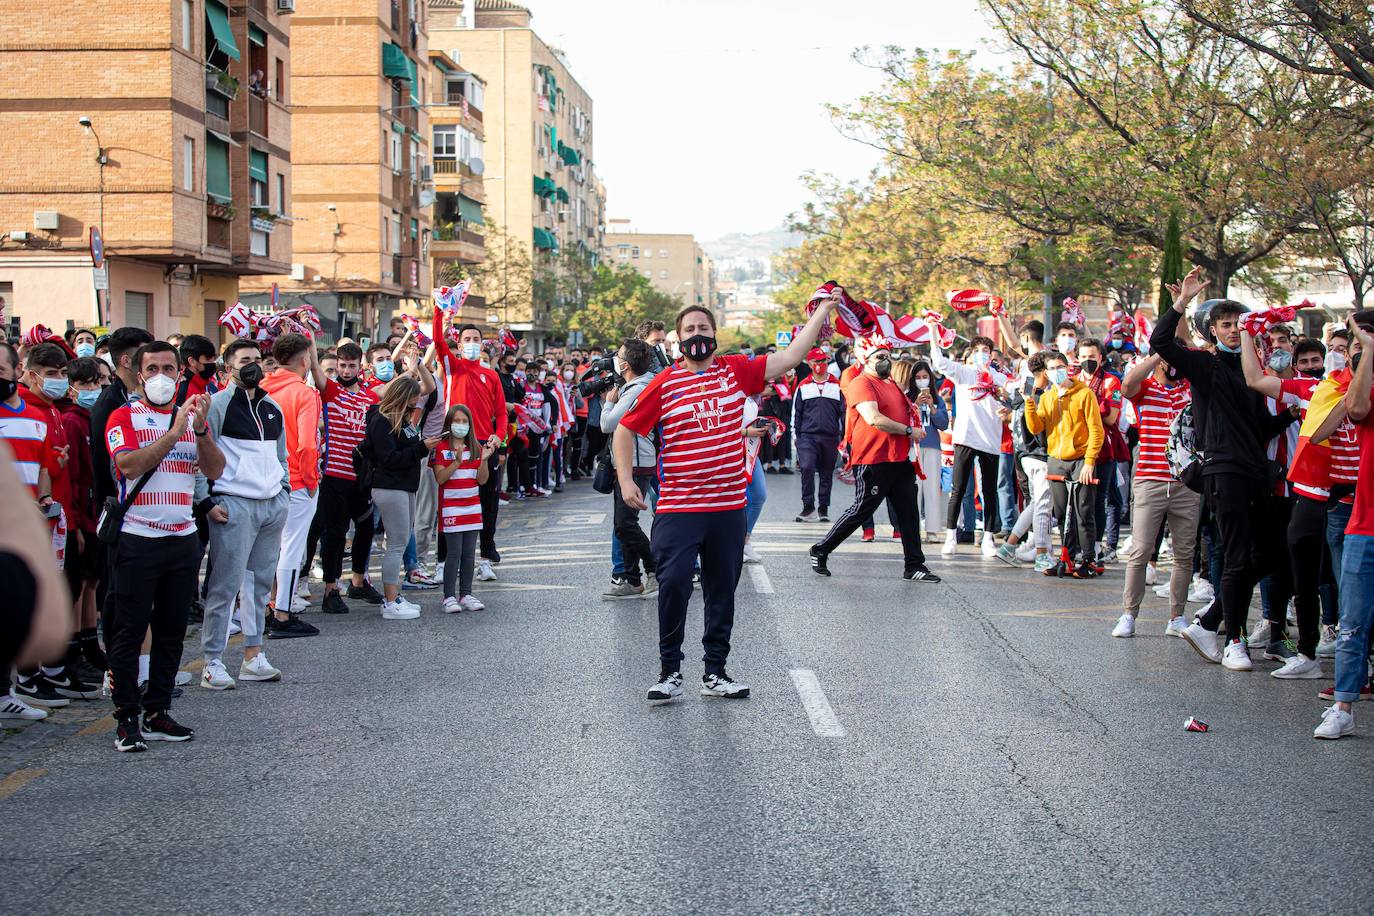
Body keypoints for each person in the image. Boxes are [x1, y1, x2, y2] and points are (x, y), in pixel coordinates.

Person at [616, 297, 837, 703]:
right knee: (674, 585)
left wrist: (821, 312)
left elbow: (790, 357)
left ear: (715, 335)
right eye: (689, 330)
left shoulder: (735, 371)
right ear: (678, 339)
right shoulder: (664, 383)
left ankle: (715, 672)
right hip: (679, 509)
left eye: (703, 328)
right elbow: (625, 429)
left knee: (721, 590)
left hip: (728, 507)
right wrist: (627, 480)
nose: (697, 335)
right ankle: (669, 671)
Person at [1152, 267, 1298, 671]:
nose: (1235, 330)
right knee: (1235, 555)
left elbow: (1260, 428)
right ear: (1213, 330)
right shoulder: (1205, 365)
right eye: (1227, 324)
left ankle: (1208, 622)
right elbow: (1160, 342)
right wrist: (1181, 303)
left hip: (1256, 472)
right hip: (1223, 471)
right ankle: (1234, 639)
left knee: (1271, 553)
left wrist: (1292, 411)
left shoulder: (1253, 372)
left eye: (1239, 324)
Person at [104, 341, 224, 751]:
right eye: (152, 368)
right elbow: (127, 464)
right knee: (130, 630)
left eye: (168, 368)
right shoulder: (125, 416)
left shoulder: (191, 419)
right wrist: (175, 432)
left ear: (179, 373)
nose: (161, 376)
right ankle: (126, 716)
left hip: (182, 538)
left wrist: (200, 431)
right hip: (138, 538)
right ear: (139, 375)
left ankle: (157, 711)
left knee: (172, 631)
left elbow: (215, 469)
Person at [194, 339, 290, 690]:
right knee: (225, 584)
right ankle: (212, 661)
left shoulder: (271, 406)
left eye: (257, 359)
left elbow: (280, 455)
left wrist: (283, 490)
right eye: (244, 359)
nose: (253, 365)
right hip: (233, 503)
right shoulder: (217, 405)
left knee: (258, 585)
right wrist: (206, 501)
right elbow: (199, 455)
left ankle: (253, 655)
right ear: (227, 367)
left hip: (271, 504)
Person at [809, 335, 940, 583]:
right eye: (880, 357)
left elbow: (900, 412)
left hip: (899, 458)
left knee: (909, 512)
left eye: (888, 356)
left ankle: (914, 565)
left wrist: (915, 405)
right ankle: (821, 549)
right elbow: (874, 418)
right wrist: (909, 431)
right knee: (861, 511)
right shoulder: (861, 383)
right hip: (873, 459)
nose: (886, 361)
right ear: (865, 359)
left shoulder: (891, 384)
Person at [1315, 315, 1374, 738]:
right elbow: (1354, 410)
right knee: (1352, 622)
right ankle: (1343, 707)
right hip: (1364, 526)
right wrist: (1366, 352)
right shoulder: (1365, 390)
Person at [1112, 352, 1198, 637]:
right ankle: (1128, 614)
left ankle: (1177, 617)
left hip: (1186, 483)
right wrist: (1159, 352)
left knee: (1184, 553)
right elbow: (1127, 385)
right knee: (1140, 550)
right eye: (1171, 359)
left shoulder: (1191, 389)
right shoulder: (1147, 388)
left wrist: (1183, 354)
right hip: (1150, 480)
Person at [927, 317, 1010, 558]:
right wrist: (932, 330)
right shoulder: (964, 373)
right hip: (965, 438)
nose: (982, 354)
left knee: (990, 491)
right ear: (972, 354)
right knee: (958, 489)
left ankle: (988, 538)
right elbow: (939, 361)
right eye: (977, 350)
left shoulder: (1000, 379)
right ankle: (951, 536)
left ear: (992, 355)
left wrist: (1007, 406)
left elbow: (1015, 397)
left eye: (986, 350)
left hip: (990, 441)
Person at [260, 334, 324, 638]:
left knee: (267, 549)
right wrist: (311, 480)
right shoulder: (304, 393)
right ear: (304, 360)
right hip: (296, 480)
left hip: (263, 480)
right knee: (292, 549)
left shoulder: (261, 388)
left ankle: (266, 608)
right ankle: (283, 613)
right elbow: (307, 444)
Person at [316, 342, 383, 614]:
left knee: (365, 529)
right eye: (342, 365)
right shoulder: (331, 391)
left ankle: (358, 582)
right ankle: (331, 589)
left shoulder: (370, 397)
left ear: (360, 366)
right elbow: (314, 367)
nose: (346, 371)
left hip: (361, 477)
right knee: (334, 534)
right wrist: (308, 337)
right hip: (334, 474)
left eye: (351, 366)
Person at [1025, 350, 1103, 578]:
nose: (1056, 372)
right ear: (1046, 373)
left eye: (1060, 367)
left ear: (1068, 368)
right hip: (1056, 459)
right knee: (1061, 513)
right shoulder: (1047, 397)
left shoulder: (1084, 393)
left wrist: (1089, 461)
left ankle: (1088, 559)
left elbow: (1096, 430)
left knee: (1083, 512)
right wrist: (1030, 402)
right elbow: (1036, 427)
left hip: (1081, 459)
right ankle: (1067, 555)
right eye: (1051, 369)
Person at [366, 375, 437, 620]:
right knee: (396, 544)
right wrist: (422, 448)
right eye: (413, 398)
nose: (416, 403)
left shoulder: (402, 419)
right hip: (390, 487)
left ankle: (394, 596)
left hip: (405, 486)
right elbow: (388, 458)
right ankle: (389, 601)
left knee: (401, 540)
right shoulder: (381, 420)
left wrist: (421, 446)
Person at [600, 338, 660, 599]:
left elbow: (608, 424)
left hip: (637, 463)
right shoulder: (635, 385)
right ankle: (632, 580)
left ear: (625, 364)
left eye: (619, 355)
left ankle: (654, 570)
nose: (616, 359)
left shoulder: (638, 388)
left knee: (625, 524)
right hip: (628, 462)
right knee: (622, 524)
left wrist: (609, 402)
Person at [431, 404, 495, 613]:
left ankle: (466, 594)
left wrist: (484, 461)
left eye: (464, 421)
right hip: (451, 508)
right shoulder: (441, 448)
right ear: (449, 423)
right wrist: (456, 462)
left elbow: (482, 480)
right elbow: (440, 478)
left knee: (469, 553)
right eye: (456, 421)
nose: (461, 425)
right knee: (454, 553)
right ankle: (449, 597)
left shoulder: (476, 447)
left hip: (472, 507)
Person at [995, 352, 1053, 570]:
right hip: (1037, 453)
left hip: (1024, 454)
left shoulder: (1025, 390)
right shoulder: (1037, 393)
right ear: (1044, 371)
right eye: (1052, 368)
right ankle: (1042, 555)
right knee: (1043, 505)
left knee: (1037, 503)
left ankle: (1009, 546)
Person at [1078, 338, 1127, 561]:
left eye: (1092, 357)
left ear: (1101, 358)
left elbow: (1111, 417)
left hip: (1103, 449)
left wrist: (1084, 409)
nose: (1087, 361)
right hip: (1078, 447)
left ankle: (1097, 545)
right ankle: (1079, 544)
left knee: (1100, 498)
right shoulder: (1074, 381)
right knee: (1079, 500)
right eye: (1083, 357)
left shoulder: (1111, 382)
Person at [792, 347, 845, 523]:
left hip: (830, 436)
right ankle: (808, 507)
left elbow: (844, 413)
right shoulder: (803, 386)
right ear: (809, 363)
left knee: (826, 472)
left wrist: (844, 436)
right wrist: (795, 437)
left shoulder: (837, 385)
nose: (820, 364)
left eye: (823, 361)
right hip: (807, 436)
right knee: (807, 467)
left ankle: (823, 507)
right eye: (817, 361)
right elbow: (796, 413)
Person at [174, 334, 219, 404]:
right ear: (192, 361)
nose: (213, 362)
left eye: (214, 358)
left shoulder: (205, 384)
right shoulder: (184, 391)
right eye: (208, 359)